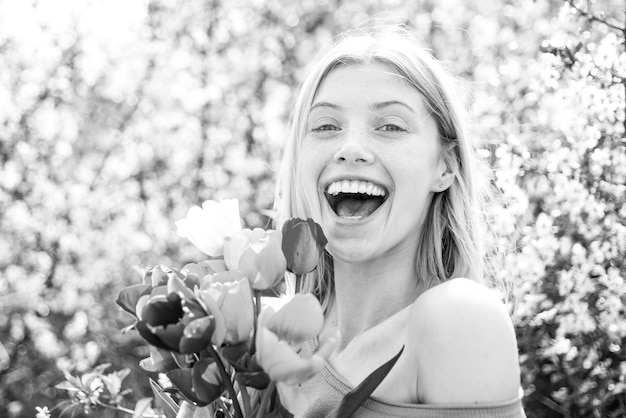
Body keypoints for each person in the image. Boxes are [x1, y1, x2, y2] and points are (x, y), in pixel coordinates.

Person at [275, 24, 525, 418]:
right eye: (326, 126)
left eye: (390, 126)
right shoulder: (275, 336)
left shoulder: (459, 319)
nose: (351, 148)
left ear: (445, 167)